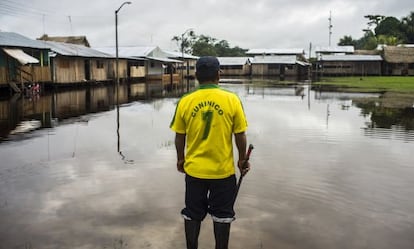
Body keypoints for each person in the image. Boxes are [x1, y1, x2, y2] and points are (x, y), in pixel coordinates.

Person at [170, 56, 250, 249]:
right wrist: (242, 160)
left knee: (192, 213)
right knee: (222, 215)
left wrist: (181, 159)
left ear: (196, 75)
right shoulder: (232, 99)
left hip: (195, 171)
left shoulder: (186, 100)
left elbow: (179, 136)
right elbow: (240, 134)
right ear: (218, 75)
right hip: (222, 172)